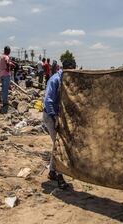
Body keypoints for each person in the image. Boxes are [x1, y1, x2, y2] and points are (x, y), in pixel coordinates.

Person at [43, 59, 76, 189]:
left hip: (58, 116)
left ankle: (52, 172)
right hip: (51, 116)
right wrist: (55, 117)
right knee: (59, 146)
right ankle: (59, 177)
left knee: (57, 145)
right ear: (67, 69)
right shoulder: (55, 79)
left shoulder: (66, 80)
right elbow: (48, 100)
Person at [0, 46, 11, 114]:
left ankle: (4, 101)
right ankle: (5, 103)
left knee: (3, 89)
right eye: (9, 50)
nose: (10, 52)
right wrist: (8, 68)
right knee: (5, 89)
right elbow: (7, 62)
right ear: (7, 50)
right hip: (6, 74)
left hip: (2, 74)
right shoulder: (6, 56)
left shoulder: (1, 56)